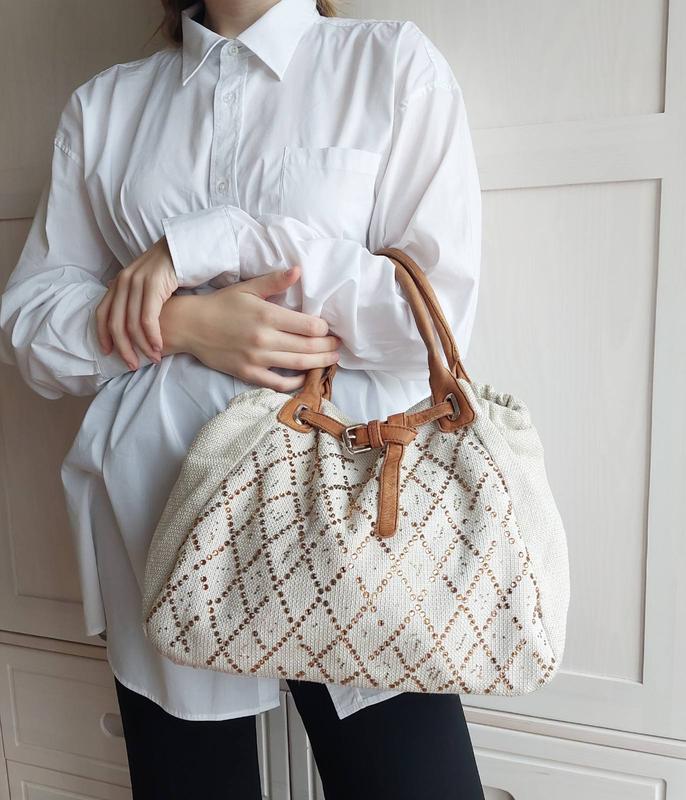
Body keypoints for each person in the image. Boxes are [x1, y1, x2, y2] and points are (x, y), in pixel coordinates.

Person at [0, 0, 485, 797]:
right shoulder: (106, 107)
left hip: (360, 524)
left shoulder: (390, 64)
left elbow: (430, 318)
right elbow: (30, 325)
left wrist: (216, 240)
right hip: (158, 519)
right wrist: (182, 325)